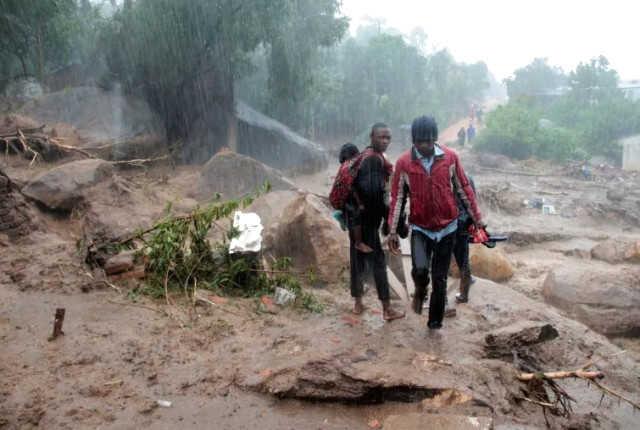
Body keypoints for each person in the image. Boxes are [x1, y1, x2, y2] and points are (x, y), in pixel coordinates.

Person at [388, 116, 482, 330]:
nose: (425, 146)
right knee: (420, 271)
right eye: (420, 142)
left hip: (448, 227)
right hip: (420, 228)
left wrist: (478, 219)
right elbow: (398, 198)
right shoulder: (404, 163)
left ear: (435, 139)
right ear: (413, 141)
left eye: (429, 142)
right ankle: (420, 290)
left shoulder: (450, 158)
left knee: (440, 279)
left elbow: (464, 189)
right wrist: (393, 231)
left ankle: (434, 325)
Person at [348, 123, 405, 321]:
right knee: (379, 264)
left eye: (388, 138)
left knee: (357, 262)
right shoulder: (373, 160)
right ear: (372, 136)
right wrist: (388, 221)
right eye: (382, 137)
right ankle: (387, 309)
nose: (385, 141)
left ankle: (358, 304)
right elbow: (373, 195)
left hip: (355, 221)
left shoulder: (364, 155)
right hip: (367, 222)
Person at [334, 143, 373, 253]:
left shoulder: (345, 166)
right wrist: (360, 203)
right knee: (356, 214)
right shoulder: (350, 167)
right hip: (347, 199)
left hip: (341, 199)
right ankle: (359, 243)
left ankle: (343, 218)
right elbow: (352, 188)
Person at [453, 174, 477, 303]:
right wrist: (474, 220)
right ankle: (464, 294)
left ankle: (462, 294)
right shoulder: (468, 177)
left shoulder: (443, 176)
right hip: (463, 222)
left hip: (450, 223)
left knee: (447, 258)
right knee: (463, 258)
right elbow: (473, 201)